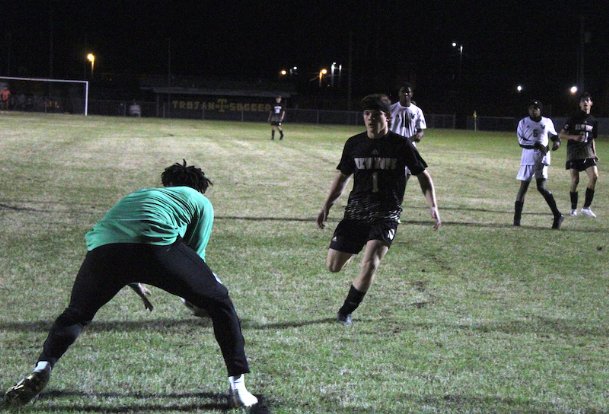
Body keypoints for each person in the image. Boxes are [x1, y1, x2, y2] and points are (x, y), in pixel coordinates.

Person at [3, 160, 258, 409]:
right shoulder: (200, 201)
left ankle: (42, 367)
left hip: (104, 249)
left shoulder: (140, 194)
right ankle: (238, 388)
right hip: (155, 245)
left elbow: (123, 236)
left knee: (77, 314)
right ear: (200, 187)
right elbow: (195, 258)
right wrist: (193, 296)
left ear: (165, 183)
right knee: (221, 302)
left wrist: (132, 279)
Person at [316, 94, 441, 326]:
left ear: (388, 117)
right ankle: (355, 248)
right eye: (366, 115)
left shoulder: (401, 145)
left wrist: (432, 206)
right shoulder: (354, 144)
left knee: (371, 263)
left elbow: (423, 175)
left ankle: (345, 311)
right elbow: (342, 177)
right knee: (333, 266)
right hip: (356, 212)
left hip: (387, 213)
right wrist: (326, 205)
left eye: (376, 115)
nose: (370, 119)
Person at [513, 100, 563, 229]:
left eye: (535, 108)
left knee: (541, 187)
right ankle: (516, 220)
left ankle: (557, 215)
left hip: (542, 159)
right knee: (523, 188)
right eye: (531, 108)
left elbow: (554, 136)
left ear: (540, 110)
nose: (533, 110)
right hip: (528, 159)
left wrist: (557, 143)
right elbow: (521, 141)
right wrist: (536, 144)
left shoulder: (547, 122)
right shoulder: (523, 122)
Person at [559, 92, 599, 217]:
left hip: (588, 152)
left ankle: (586, 208)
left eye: (588, 100)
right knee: (575, 180)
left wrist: (595, 153)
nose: (585, 102)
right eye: (583, 100)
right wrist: (574, 137)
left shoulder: (593, 120)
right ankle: (573, 208)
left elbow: (592, 138)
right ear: (580, 104)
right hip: (574, 152)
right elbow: (561, 135)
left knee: (594, 176)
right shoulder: (573, 118)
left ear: (591, 103)